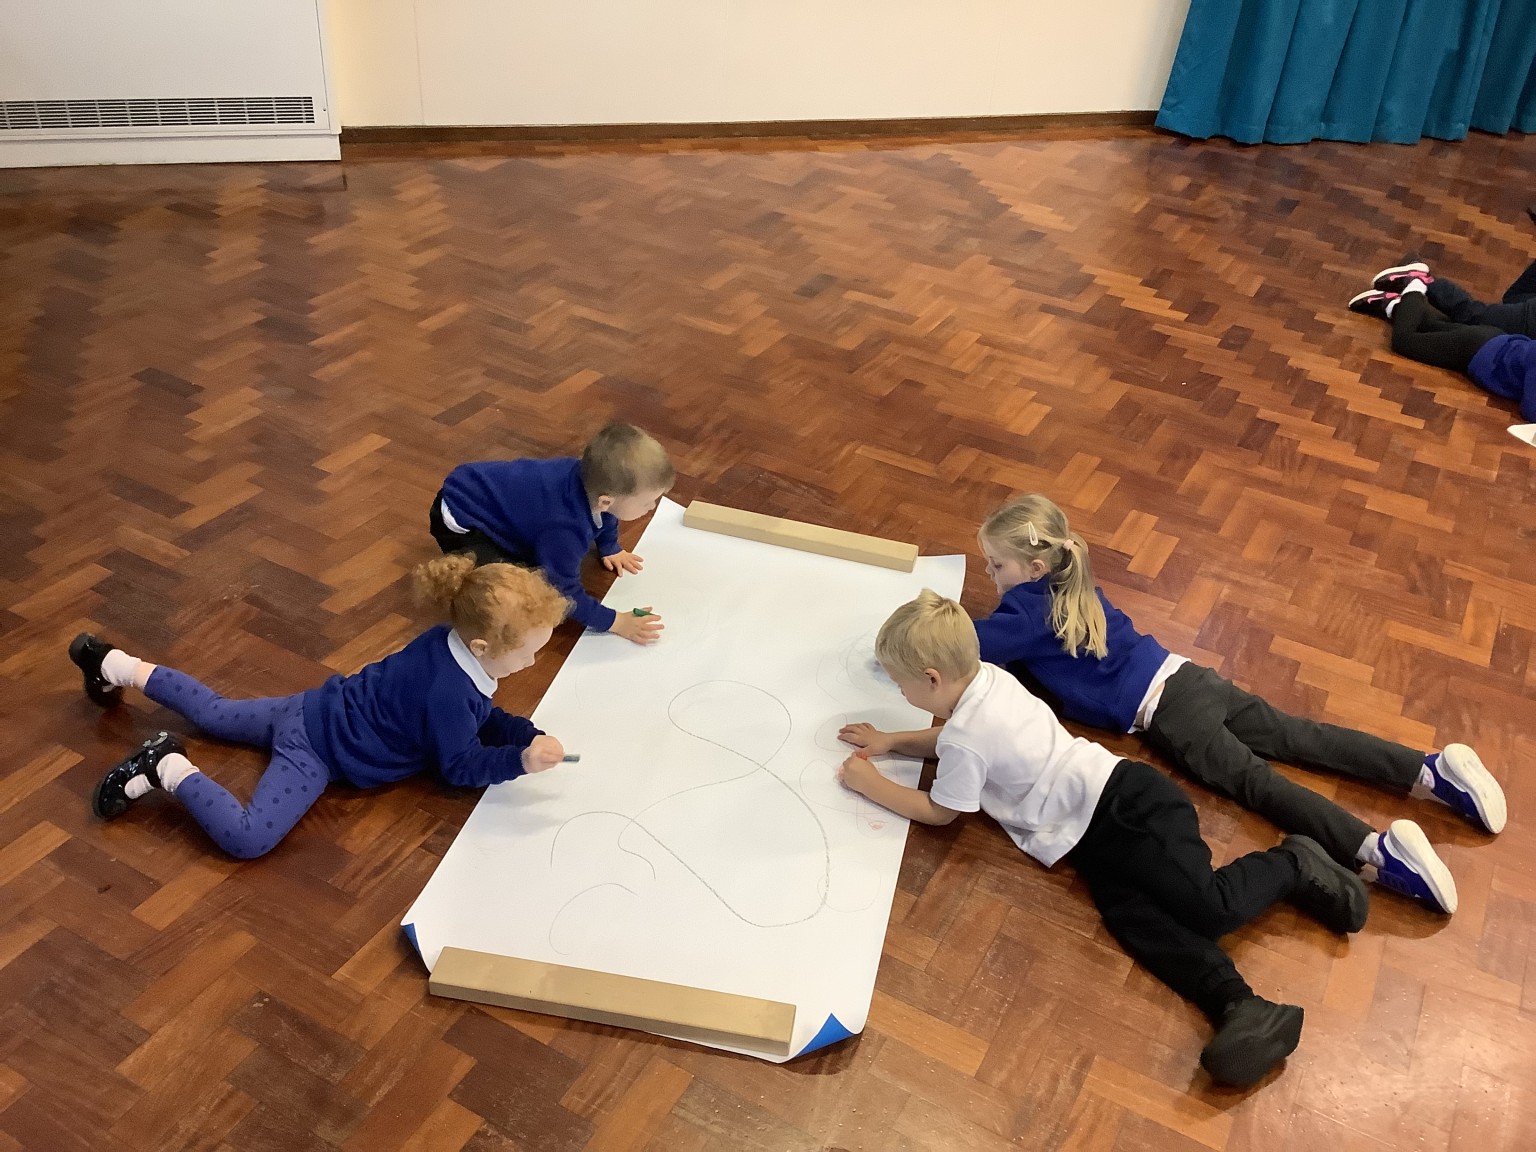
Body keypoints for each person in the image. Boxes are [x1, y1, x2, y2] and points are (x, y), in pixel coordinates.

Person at [837, 591, 1368, 1087]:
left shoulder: (966, 736)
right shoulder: (987, 680)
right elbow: (953, 741)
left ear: (931, 679)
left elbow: (940, 811)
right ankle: (1238, 1004)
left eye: (901, 684)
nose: (901, 693)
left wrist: (871, 783)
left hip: (1129, 807)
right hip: (1091, 831)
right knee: (1134, 920)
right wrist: (892, 741)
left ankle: (1295, 863)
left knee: (1207, 908)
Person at [968, 494, 1507, 916]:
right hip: (1189, 676)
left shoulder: (1026, 613)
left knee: (1259, 784)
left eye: (996, 565)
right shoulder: (1074, 579)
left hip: (1169, 716)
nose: (991, 576)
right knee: (1301, 735)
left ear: (1034, 568)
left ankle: (1375, 850)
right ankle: (1431, 771)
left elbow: (966, 646)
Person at [72, 555, 571, 858]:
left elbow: (481, 718)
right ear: (482, 646)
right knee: (249, 838)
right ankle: (166, 765)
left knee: (213, 712)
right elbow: (459, 765)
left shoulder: (445, 642)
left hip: (309, 707)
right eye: (528, 653)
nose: (531, 662)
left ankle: (114, 664)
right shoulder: (450, 696)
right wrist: (519, 761)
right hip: (316, 751)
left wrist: (526, 736)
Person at [431, 421, 673, 645]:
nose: (652, 507)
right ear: (606, 501)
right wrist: (616, 622)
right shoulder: (565, 527)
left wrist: (610, 547)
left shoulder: (591, 481)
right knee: (510, 591)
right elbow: (562, 590)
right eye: (647, 502)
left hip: (487, 493)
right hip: (461, 518)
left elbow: (607, 516)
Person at [1349, 273, 1536, 423]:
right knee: (1404, 341)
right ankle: (1415, 286)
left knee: (1431, 327)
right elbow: (1530, 409)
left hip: (1489, 342)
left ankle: (1394, 304)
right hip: (1476, 351)